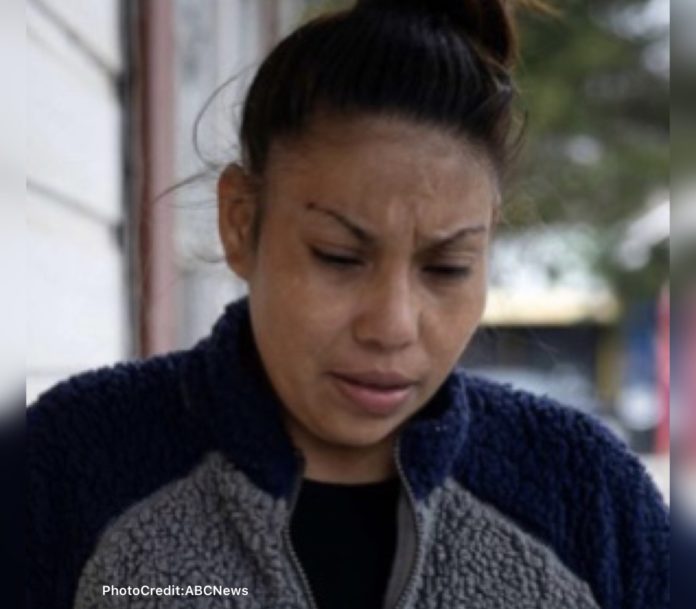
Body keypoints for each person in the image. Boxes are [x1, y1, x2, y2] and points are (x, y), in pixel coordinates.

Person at [27, 1, 669, 608]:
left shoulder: (587, 498)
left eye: (447, 268)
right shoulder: (68, 466)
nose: (391, 325)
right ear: (240, 221)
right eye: (338, 257)